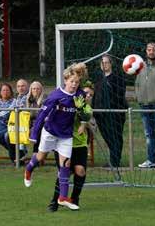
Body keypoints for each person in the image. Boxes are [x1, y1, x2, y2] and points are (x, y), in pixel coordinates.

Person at [24, 62, 88, 211]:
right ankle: (28, 169)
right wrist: (34, 134)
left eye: (77, 82)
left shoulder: (80, 95)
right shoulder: (55, 96)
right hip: (50, 133)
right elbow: (42, 115)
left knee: (65, 165)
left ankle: (62, 198)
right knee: (40, 158)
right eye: (71, 81)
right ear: (65, 80)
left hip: (66, 136)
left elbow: (85, 109)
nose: (74, 84)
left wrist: (83, 122)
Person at [47, 82, 94, 212]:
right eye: (86, 93)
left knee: (80, 170)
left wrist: (84, 123)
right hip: (63, 142)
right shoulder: (66, 103)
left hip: (79, 144)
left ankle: (74, 199)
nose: (88, 96)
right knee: (65, 170)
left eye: (91, 94)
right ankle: (55, 201)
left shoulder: (87, 109)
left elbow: (87, 117)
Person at [92, 54, 128, 168]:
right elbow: (95, 95)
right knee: (107, 137)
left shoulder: (117, 78)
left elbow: (120, 95)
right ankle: (113, 159)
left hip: (114, 113)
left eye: (106, 62)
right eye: (102, 63)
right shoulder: (98, 78)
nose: (104, 65)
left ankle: (114, 161)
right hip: (100, 113)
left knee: (115, 137)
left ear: (111, 64)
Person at [0, 79, 29, 163]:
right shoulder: (17, 98)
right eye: (19, 86)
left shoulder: (28, 97)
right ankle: (19, 155)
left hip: (25, 125)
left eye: (23, 86)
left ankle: (15, 159)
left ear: (27, 87)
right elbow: (10, 111)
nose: (21, 88)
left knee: (7, 136)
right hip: (14, 125)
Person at [25, 81, 46, 156]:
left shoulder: (45, 100)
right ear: (30, 90)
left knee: (38, 130)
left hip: (41, 123)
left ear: (41, 90)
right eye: (33, 89)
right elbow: (26, 115)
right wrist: (28, 103)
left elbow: (40, 115)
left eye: (38, 89)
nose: (36, 90)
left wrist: (38, 103)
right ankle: (21, 154)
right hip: (29, 123)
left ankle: (35, 155)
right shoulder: (28, 100)